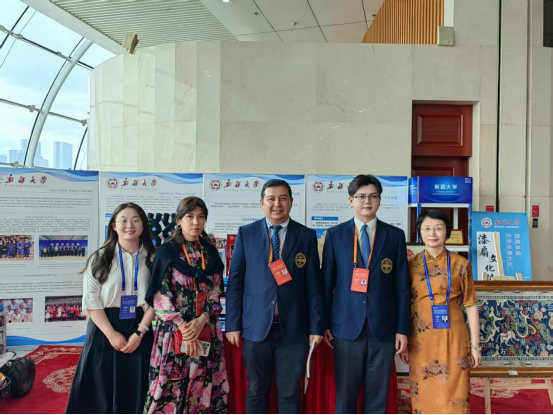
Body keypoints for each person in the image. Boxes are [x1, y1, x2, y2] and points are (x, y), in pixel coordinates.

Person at [226, 179, 324, 414]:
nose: (277, 204)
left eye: (283, 198)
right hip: (256, 326)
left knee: (290, 392)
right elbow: (235, 282)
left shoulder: (306, 236)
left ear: (291, 202)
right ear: (262, 203)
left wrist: (316, 326)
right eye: (271, 199)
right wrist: (233, 324)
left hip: (294, 328)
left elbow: (314, 286)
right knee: (256, 389)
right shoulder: (246, 233)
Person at [322, 174, 411, 414]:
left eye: (373, 196)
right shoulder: (335, 235)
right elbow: (326, 284)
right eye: (361, 196)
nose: (367, 201)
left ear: (380, 200)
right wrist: (324, 324)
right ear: (351, 200)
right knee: (345, 396)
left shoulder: (394, 236)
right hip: (345, 328)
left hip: (383, 328)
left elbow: (402, 287)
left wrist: (402, 329)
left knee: (378, 397)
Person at [66, 203, 156, 414]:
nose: (129, 225)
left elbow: (158, 299)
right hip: (104, 326)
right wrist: (111, 334)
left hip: (140, 324)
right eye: (123, 220)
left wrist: (140, 332)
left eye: (135, 220)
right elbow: (91, 299)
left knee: (136, 384)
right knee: (100, 384)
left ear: (143, 225)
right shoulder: (100, 258)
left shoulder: (153, 258)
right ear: (114, 226)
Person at [144, 197, 228, 414]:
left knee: (203, 386)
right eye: (189, 216)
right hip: (174, 332)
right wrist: (185, 328)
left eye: (201, 217)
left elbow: (216, 290)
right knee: (168, 390)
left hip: (206, 329)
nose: (195, 222)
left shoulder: (210, 252)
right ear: (178, 220)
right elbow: (160, 296)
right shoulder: (167, 252)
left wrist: (202, 320)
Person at [400, 210, 481, 414]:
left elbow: (471, 305)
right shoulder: (411, 265)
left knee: (456, 389)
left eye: (438, 228)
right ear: (419, 232)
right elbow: (403, 303)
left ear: (447, 232)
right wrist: (404, 337)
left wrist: (475, 346)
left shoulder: (461, 264)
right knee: (423, 388)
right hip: (420, 338)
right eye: (427, 228)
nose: (432, 233)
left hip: (454, 336)